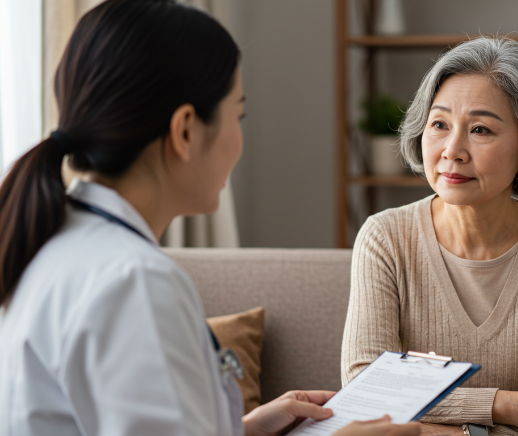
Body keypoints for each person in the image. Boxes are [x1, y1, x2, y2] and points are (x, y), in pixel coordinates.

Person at [0, 1, 419, 436]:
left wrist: (242, 430)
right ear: (185, 131)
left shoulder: (50, 241)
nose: (239, 138)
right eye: (237, 115)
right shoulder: (134, 282)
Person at [342, 37, 518, 436]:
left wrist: (426, 428)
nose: (452, 150)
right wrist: (507, 406)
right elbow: (367, 392)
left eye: (480, 129)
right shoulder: (384, 237)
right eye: (439, 124)